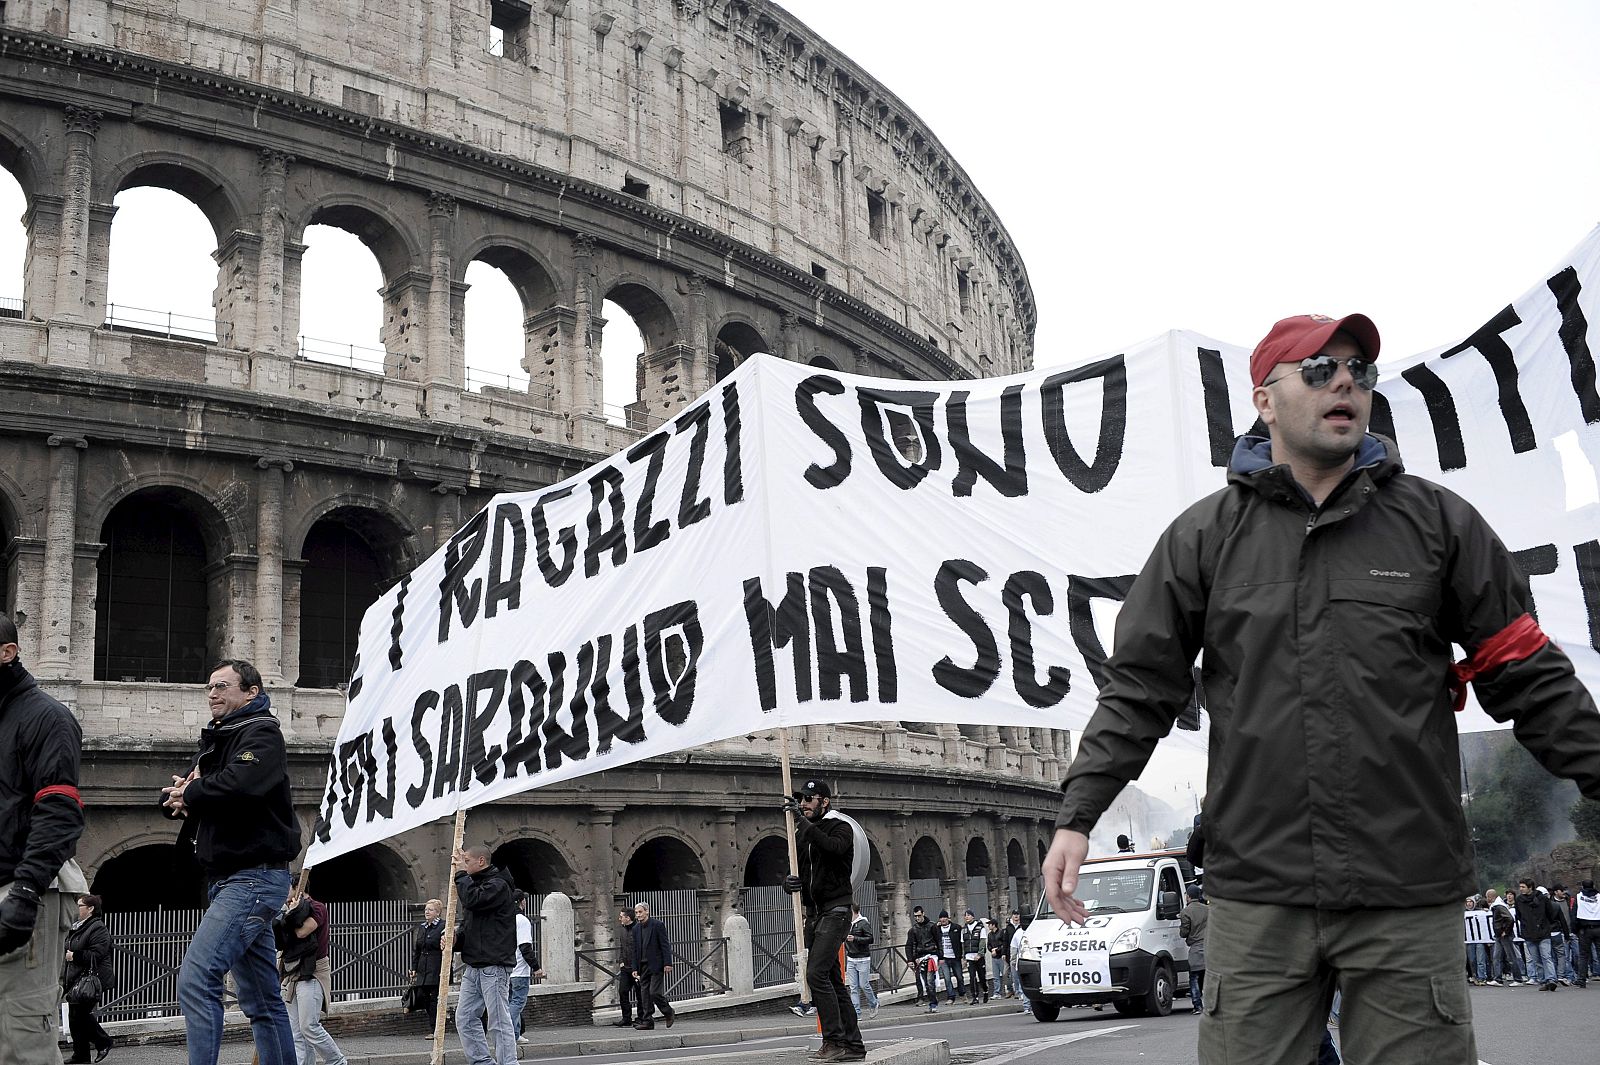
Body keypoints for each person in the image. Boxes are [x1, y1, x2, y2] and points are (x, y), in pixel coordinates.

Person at [1041, 312, 1600, 1064]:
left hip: (1406, 886)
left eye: (1359, 371)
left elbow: (1528, 672)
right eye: (1319, 369)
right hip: (1257, 894)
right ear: (1265, 400)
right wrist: (1079, 812)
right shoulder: (1201, 539)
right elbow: (1138, 689)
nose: (1345, 381)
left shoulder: (1440, 524)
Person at [164, 659, 300, 1065]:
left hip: (253, 878)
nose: (213, 694)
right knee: (262, 1000)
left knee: (197, 978)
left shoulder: (261, 735)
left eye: (223, 686)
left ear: (251, 693)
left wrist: (192, 794)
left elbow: (241, 783)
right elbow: (186, 789)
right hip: (229, 878)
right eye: (209, 687)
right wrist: (179, 798)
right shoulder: (217, 740)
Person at [0, 611, 86, 1065]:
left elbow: (58, 812)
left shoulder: (47, 718)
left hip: (22, 890)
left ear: (7, 652)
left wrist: (26, 890)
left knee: (22, 1043)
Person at [780, 779, 865, 1063]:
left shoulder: (841, 827)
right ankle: (853, 1044)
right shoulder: (802, 835)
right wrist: (790, 883)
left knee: (815, 974)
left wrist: (800, 822)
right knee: (832, 980)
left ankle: (833, 1041)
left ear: (824, 801)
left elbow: (833, 848)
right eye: (801, 800)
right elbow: (801, 872)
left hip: (836, 910)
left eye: (808, 799)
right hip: (815, 913)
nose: (803, 804)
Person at [452, 844, 518, 1065]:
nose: (463, 865)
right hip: (474, 965)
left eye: (467, 861)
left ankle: (508, 1063)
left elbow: (473, 900)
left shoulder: (498, 885)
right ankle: (481, 1062)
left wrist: (461, 874)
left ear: (481, 861)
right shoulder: (476, 885)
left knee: (498, 1021)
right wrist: (455, 940)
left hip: (494, 964)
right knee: (465, 1018)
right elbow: (471, 927)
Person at [273, 886, 346, 1065]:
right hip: (290, 973)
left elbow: (302, 931)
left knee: (309, 1026)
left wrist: (293, 914)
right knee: (296, 1031)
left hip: (312, 973)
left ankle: (337, 1061)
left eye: (287, 886)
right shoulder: (284, 908)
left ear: (298, 887)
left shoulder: (317, 907)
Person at [64, 892, 115, 1063]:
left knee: (81, 1016)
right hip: (77, 978)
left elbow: (98, 953)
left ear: (91, 908)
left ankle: (104, 1041)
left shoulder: (97, 927)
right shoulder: (78, 926)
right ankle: (81, 1055)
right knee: (74, 1018)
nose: (76, 908)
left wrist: (74, 956)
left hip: (91, 979)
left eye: (80, 905)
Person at [631, 901, 676, 1030]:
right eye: (636, 913)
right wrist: (634, 967)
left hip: (656, 964)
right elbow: (635, 949)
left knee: (654, 992)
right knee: (644, 994)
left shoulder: (657, 925)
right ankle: (647, 1020)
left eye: (640, 912)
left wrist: (667, 963)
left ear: (647, 911)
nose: (638, 915)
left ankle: (668, 1011)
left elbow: (665, 944)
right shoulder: (636, 929)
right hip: (642, 966)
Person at [508, 890, 544, 1044]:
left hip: (506, 969)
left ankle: (515, 1035)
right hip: (519, 970)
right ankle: (506, 1031)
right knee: (517, 1003)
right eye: (524, 900)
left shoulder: (504, 919)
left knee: (510, 1001)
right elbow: (525, 948)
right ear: (521, 902)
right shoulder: (521, 920)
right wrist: (536, 967)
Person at [1513, 879, 1562, 990]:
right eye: (1520, 886)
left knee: (1546, 956)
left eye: (1523, 887)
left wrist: (1545, 924)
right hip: (1529, 933)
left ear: (1530, 887)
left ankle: (1551, 979)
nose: (1520, 889)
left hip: (1543, 931)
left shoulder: (1542, 898)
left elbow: (1550, 913)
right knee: (1536, 959)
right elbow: (1519, 915)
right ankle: (1543, 981)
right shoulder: (1519, 900)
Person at [407, 899, 445, 1031]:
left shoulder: (442, 926)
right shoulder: (422, 927)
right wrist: (414, 968)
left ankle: (435, 1027)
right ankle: (433, 1024)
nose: (427, 912)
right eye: (426, 910)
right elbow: (417, 950)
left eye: (431, 910)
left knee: (434, 997)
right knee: (423, 996)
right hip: (423, 967)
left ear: (438, 912)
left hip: (436, 966)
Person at [844, 902, 878, 1020]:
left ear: (854, 911)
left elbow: (870, 938)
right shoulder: (847, 924)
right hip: (851, 958)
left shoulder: (863, 923)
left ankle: (873, 1003)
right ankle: (857, 1013)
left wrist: (855, 938)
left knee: (864, 984)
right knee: (853, 987)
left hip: (863, 958)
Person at [903, 905, 940, 1012]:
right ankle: (930, 1000)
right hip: (919, 958)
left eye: (919, 915)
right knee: (922, 982)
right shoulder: (913, 930)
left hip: (931, 956)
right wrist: (910, 960)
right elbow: (909, 945)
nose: (917, 918)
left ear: (923, 914)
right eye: (915, 916)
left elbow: (939, 941)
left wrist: (941, 956)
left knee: (929, 981)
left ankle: (933, 1004)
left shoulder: (932, 926)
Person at [1179, 884, 1207, 1014]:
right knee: (1207, 976)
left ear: (1188, 896)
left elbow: (1184, 932)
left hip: (1196, 948)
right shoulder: (1208, 909)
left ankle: (1197, 1005)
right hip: (1210, 947)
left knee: (1194, 977)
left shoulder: (1186, 912)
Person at [1486, 890, 1524, 985]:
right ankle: (1498, 978)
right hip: (1499, 935)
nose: (1487, 899)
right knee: (1496, 957)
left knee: (1510, 957)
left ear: (1490, 897)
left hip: (1504, 935)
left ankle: (1518, 979)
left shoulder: (1498, 907)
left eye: (1487, 897)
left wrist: (1505, 931)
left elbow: (1510, 919)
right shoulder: (1499, 906)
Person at [611, 907, 640, 1027]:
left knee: (640, 994)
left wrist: (637, 966)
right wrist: (621, 961)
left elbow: (639, 949)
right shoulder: (622, 930)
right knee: (622, 991)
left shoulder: (638, 930)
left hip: (637, 967)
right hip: (625, 967)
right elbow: (622, 947)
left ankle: (641, 1017)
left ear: (628, 918)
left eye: (621, 916)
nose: (619, 918)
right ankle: (626, 1018)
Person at [933, 911, 963, 1003]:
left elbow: (961, 942)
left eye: (945, 917)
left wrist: (962, 956)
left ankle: (962, 994)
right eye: (941, 918)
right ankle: (951, 997)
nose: (943, 919)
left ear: (948, 918)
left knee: (959, 977)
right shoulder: (937, 929)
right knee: (947, 978)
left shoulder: (956, 928)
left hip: (955, 957)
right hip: (944, 958)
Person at [960, 909, 988, 1003]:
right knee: (972, 977)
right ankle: (975, 997)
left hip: (978, 956)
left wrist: (980, 954)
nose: (966, 917)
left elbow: (983, 941)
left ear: (973, 916)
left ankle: (985, 991)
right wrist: (963, 957)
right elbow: (963, 944)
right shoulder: (963, 929)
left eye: (968, 915)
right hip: (969, 957)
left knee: (982, 977)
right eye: (965, 915)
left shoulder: (980, 927)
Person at [985, 918, 1006, 999]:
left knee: (1004, 974)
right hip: (994, 957)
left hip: (1001, 956)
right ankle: (997, 993)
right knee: (995, 976)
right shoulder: (990, 934)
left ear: (994, 925)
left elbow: (1004, 944)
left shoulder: (1001, 933)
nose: (988, 926)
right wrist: (992, 950)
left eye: (989, 924)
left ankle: (1006, 990)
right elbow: (989, 945)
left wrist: (996, 950)